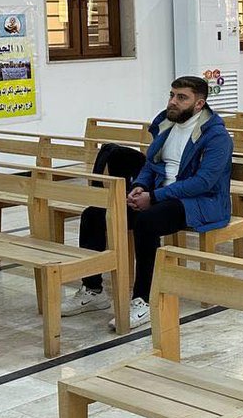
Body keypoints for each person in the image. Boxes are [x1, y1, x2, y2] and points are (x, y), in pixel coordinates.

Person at [61, 76, 234, 330]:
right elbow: (151, 164)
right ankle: (94, 290)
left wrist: (152, 197)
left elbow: (203, 183)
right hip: (159, 195)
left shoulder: (216, 136)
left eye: (181, 97)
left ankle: (144, 299)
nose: (173, 102)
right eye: (172, 95)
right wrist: (139, 187)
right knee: (94, 215)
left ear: (199, 104)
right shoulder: (166, 125)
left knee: (147, 221)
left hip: (198, 202)